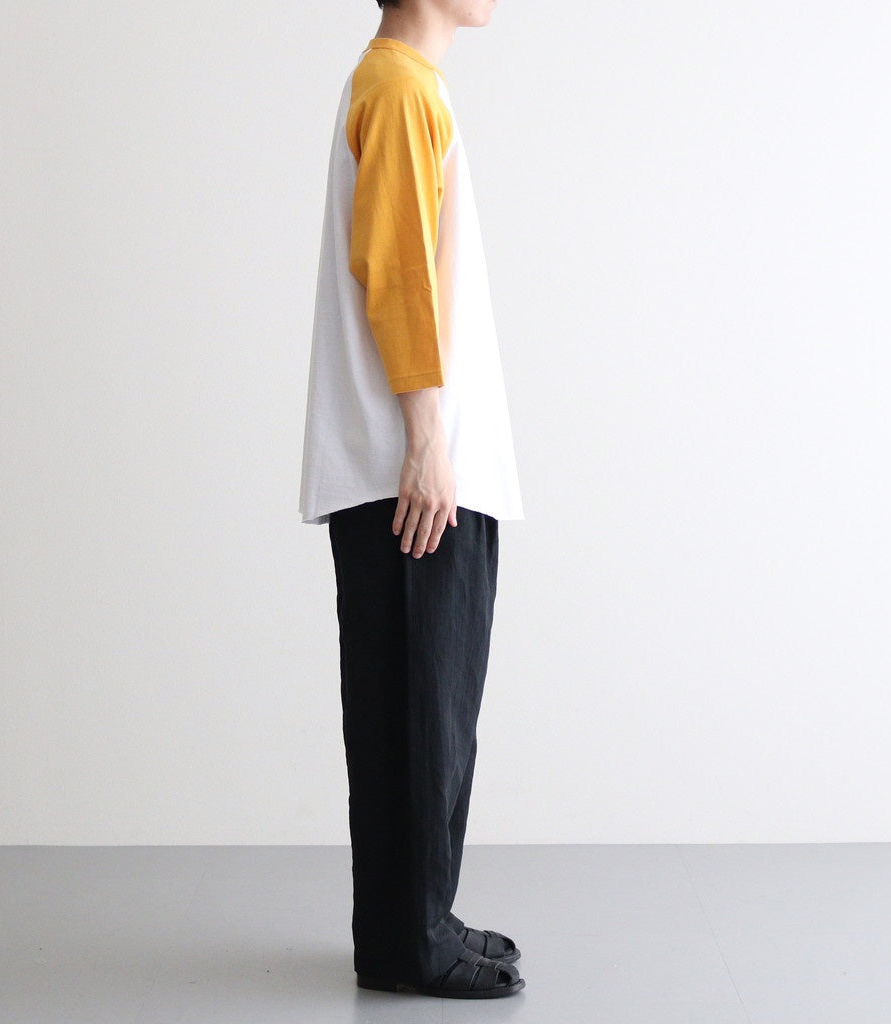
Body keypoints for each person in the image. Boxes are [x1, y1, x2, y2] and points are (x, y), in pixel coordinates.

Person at [299, 0, 525, 999]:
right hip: (414, 470)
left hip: (420, 463)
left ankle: (418, 918)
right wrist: (428, 441)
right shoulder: (395, 88)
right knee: (415, 711)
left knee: (427, 708)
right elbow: (393, 271)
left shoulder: (404, 85)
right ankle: (408, 942)